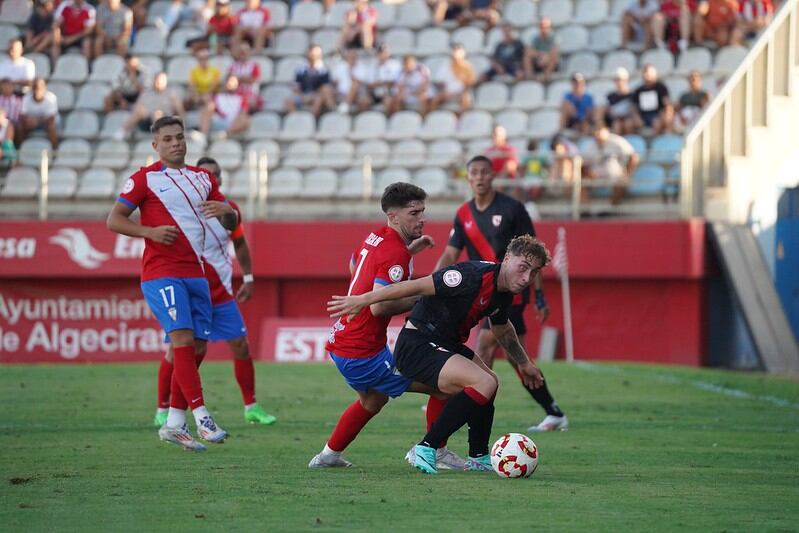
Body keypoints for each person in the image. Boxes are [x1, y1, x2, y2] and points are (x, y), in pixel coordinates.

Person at [328, 234, 551, 475]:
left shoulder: (504, 290)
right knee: (483, 382)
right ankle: (426, 447)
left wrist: (524, 363)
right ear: (507, 258)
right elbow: (413, 286)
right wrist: (364, 299)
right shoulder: (470, 277)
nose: (528, 277)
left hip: (445, 343)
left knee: (491, 382)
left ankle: (478, 456)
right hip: (417, 345)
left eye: (535, 272)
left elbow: (502, 328)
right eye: (523, 267)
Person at [309, 182, 467, 470]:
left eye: (423, 211)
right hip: (362, 352)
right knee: (443, 387)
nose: (421, 218)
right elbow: (379, 306)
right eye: (414, 212)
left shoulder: (376, 237)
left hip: (344, 342)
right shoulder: (395, 252)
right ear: (393, 216)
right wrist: (423, 297)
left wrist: (408, 251)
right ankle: (435, 452)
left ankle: (327, 457)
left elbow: (355, 266)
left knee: (373, 401)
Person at [107, 116, 238, 452]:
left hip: (197, 271)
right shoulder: (144, 179)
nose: (176, 143)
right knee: (180, 337)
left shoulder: (203, 177)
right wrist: (148, 232)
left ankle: (174, 423)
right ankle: (202, 416)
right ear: (155, 145)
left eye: (180, 137)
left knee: (197, 347)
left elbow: (230, 220)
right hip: (161, 271)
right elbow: (114, 219)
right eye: (168, 139)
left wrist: (226, 210)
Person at [431, 155, 568, 434]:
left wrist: (539, 296)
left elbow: (535, 255)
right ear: (468, 178)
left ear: (493, 176)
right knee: (519, 358)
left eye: (484, 172)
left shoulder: (512, 209)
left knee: (484, 345)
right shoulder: (464, 214)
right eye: (474, 173)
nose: (480, 178)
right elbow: (450, 252)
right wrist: (433, 283)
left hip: (510, 292)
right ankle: (553, 411)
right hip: (480, 291)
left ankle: (471, 399)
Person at [154, 156, 276, 428]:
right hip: (188, 290)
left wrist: (248, 277)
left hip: (220, 292)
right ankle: (164, 409)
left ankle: (251, 407)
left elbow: (240, 242)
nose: (213, 179)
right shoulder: (177, 209)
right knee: (178, 351)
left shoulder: (229, 210)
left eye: (217, 175)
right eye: (208, 174)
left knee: (241, 346)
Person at [580, 126, 639, 205]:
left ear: (606, 131)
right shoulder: (590, 144)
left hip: (616, 175)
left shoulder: (617, 141)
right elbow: (582, 164)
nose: (597, 135)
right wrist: (588, 173)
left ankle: (611, 210)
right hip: (596, 176)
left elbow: (634, 157)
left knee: (622, 183)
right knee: (580, 184)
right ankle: (585, 211)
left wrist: (627, 173)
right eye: (595, 133)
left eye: (599, 132)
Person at [118, 71, 184, 139]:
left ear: (166, 81)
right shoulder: (146, 93)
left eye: (161, 80)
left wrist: (182, 126)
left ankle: (160, 137)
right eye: (157, 79)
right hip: (146, 120)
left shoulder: (171, 94)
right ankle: (123, 132)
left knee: (157, 114)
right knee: (139, 110)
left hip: (164, 121)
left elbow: (179, 110)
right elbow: (137, 106)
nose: (158, 81)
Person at [285, 44, 335, 117]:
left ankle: (310, 120)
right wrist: (302, 97)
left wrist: (312, 96)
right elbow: (296, 87)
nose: (312, 54)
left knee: (319, 100)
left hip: (316, 95)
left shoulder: (324, 70)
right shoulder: (301, 69)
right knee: (288, 101)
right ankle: (295, 119)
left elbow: (325, 88)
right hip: (303, 95)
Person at [432, 44, 475, 114]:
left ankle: (461, 119)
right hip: (447, 93)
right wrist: (445, 92)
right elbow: (440, 83)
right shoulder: (445, 66)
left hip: (461, 94)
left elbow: (469, 84)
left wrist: (457, 93)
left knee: (466, 99)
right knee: (435, 100)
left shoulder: (467, 67)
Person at [632, 64, 673, 133]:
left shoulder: (661, 87)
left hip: (658, 115)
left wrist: (667, 117)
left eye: (649, 74)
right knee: (629, 124)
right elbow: (634, 107)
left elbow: (667, 105)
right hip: (643, 116)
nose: (647, 76)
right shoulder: (638, 90)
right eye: (645, 73)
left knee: (657, 123)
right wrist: (637, 117)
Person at [19, 77, 59, 147]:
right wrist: (27, 121)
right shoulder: (26, 98)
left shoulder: (51, 98)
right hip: (32, 123)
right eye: (35, 87)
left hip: (46, 123)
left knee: (51, 127)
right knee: (20, 127)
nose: (37, 90)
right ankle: (20, 149)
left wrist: (37, 122)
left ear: (44, 88)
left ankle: (55, 150)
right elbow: (22, 116)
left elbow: (51, 118)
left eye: (40, 88)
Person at [596, 67, 636, 135]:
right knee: (616, 125)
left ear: (626, 80)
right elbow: (604, 109)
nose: (618, 82)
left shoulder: (632, 95)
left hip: (627, 120)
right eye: (616, 80)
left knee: (627, 123)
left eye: (620, 79)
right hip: (614, 121)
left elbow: (633, 111)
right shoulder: (610, 96)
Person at [524, 17, 560, 82]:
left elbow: (555, 51)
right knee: (527, 56)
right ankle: (529, 75)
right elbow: (529, 51)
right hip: (539, 60)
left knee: (554, 56)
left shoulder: (554, 38)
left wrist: (546, 57)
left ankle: (547, 74)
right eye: (541, 26)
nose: (543, 29)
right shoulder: (535, 38)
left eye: (546, 27)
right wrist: (540, 55)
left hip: (549, 62)